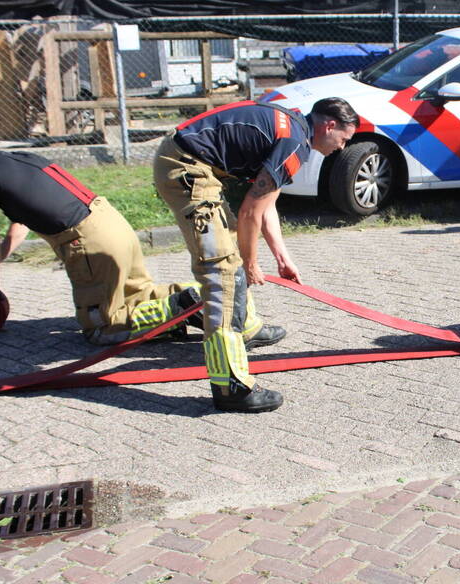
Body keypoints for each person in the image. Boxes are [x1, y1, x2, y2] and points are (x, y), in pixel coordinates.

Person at [153, 97, 358, 413]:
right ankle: (230, 386)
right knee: (224, 273)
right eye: (343, 139)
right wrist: (250, 264)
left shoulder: (294, 129)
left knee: (232, 247)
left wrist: (282, 256)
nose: (342, 148)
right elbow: (251, 210)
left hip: (191, 163)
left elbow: (267, 204)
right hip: (186, 169)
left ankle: (246, 328)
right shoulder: (295, 144)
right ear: (329, 126)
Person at [0, 129, 199, 345]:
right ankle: (205, 294)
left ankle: (181, 306)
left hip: (88, 242)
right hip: (113, 224)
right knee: (137, 294)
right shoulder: (23, 158)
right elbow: (19, 226)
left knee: (100, 327)